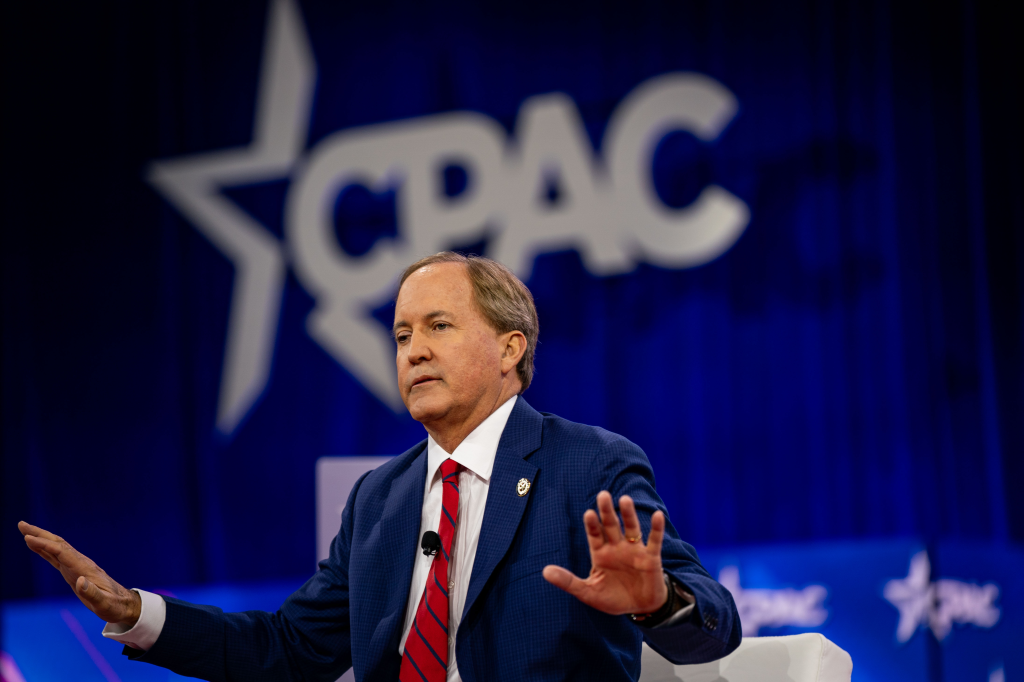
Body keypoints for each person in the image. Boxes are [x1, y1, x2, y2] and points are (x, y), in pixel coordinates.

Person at [20, 252, 740, 681]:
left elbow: (714, 629)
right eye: (401, 335)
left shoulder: (590, 464)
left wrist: (655, 601)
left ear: (511, 349)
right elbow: (292, 651)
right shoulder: (381, 499)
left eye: (438, 327)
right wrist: (138, 613)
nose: (413, 350)